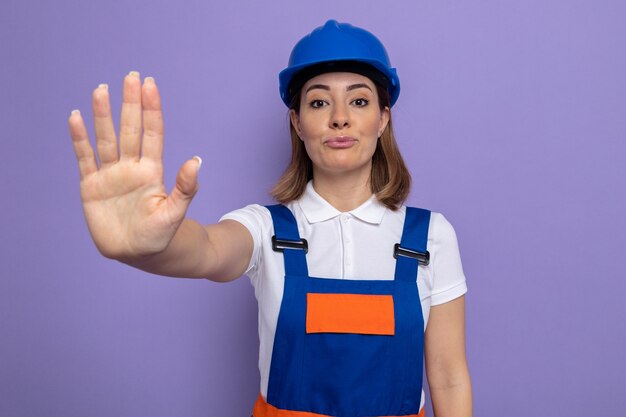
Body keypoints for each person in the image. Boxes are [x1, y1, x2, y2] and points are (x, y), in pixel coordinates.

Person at [68, 19, 471, 417]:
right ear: (297, 122)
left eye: (359, 100)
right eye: (318, 102)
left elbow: (449, 377)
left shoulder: (430, 237)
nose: (340, 117)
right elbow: (207, 250)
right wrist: (146, 245)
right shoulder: (265, 230)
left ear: (383, 119)